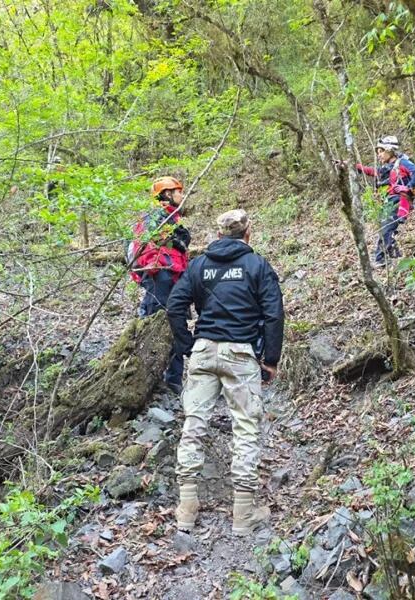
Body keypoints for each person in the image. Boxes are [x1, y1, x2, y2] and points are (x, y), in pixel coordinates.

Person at [165, 209, 284, 534]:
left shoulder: (198, 265)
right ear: (248, 233)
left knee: (193, 425)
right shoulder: (257, 265)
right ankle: (242, 515)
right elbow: (274, 314)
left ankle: (186, 510)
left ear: (218, 235)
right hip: (241, 354)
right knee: (245, 428)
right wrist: (270, 359)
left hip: (204, 350)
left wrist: (187, 345)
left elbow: (174, 306)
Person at [129, 176, 191, 394]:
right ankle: (147, 379)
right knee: (157, 326)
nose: (181, 195)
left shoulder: (171, 218)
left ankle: (173, 380)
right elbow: (145, 250)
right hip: (161, 279)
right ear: (167, 194)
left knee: (176, 324)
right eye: (178, 191)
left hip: (173, 279)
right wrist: (162, 269)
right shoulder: (154, 218)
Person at [339, 135, 415, 267]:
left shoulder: (402, 163)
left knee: (386, 228)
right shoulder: (387, 168)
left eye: (381, 151)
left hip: (399, 201)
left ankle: (380, 259)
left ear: (390, 150)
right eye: (378, 152)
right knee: (387, 229)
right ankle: (393, 257)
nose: (379, 155)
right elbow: (372, 171)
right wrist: (351, 166)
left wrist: (408, 187)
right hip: (388, 202)